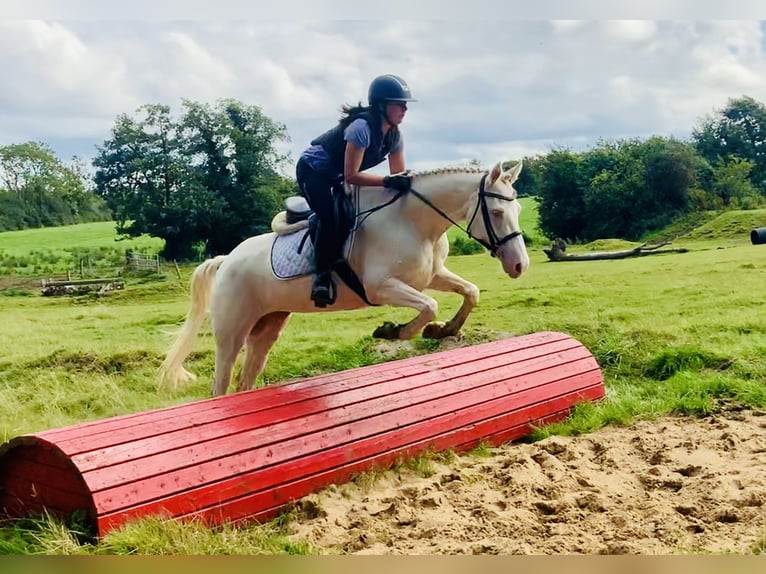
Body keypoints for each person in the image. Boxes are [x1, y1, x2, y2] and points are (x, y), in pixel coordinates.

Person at [296, 74, 417, 307]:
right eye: (398, 104)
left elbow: (397, 177)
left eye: (405, 105)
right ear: (382, 106)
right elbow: (352, 176)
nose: (404, 109)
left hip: (336, 175)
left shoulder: (395, 137)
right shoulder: (360, 128)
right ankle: (321, 279)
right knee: (330, 218)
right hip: (313, 172)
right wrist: (388, 181)